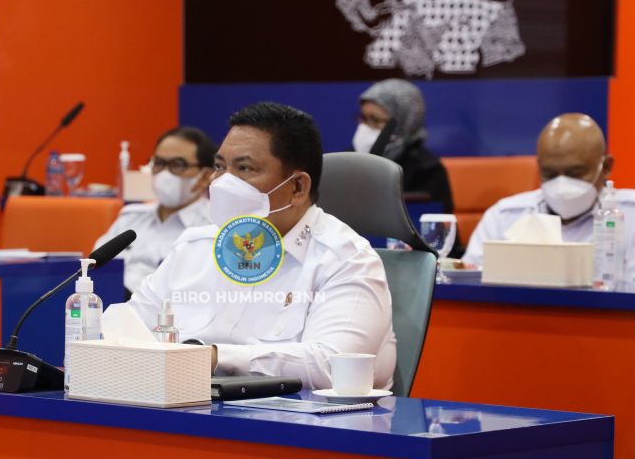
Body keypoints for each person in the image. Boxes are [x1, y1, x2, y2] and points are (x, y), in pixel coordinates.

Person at [129, 102, 397, 390]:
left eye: (244, 168)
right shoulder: (194, 246)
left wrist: (215, 359)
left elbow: (335, 366)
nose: (222, 182)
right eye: (219, 166)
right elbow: (128, 330)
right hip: (181, 406)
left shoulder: (346, 260)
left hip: (294, 416)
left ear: (298, 187)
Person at [462, 114, 635, 280]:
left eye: (575, 173)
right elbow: (468, 281)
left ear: (606, 167)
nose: (561, 185)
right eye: (549, 173)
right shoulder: (504, 216)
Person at [95, 127, 215, 297]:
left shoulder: (213, 226)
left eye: (177, 165)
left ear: (205, 176)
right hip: (111, 302)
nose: (164, 173)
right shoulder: (131, 218)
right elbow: (95, 269)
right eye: (158, 163)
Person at [352, 78, 454, 212]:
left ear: (404, 123)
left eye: (376, 120)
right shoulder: (348, 160)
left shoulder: (427, 170)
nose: (365, 127)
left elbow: (435, 220)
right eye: (364, 118)